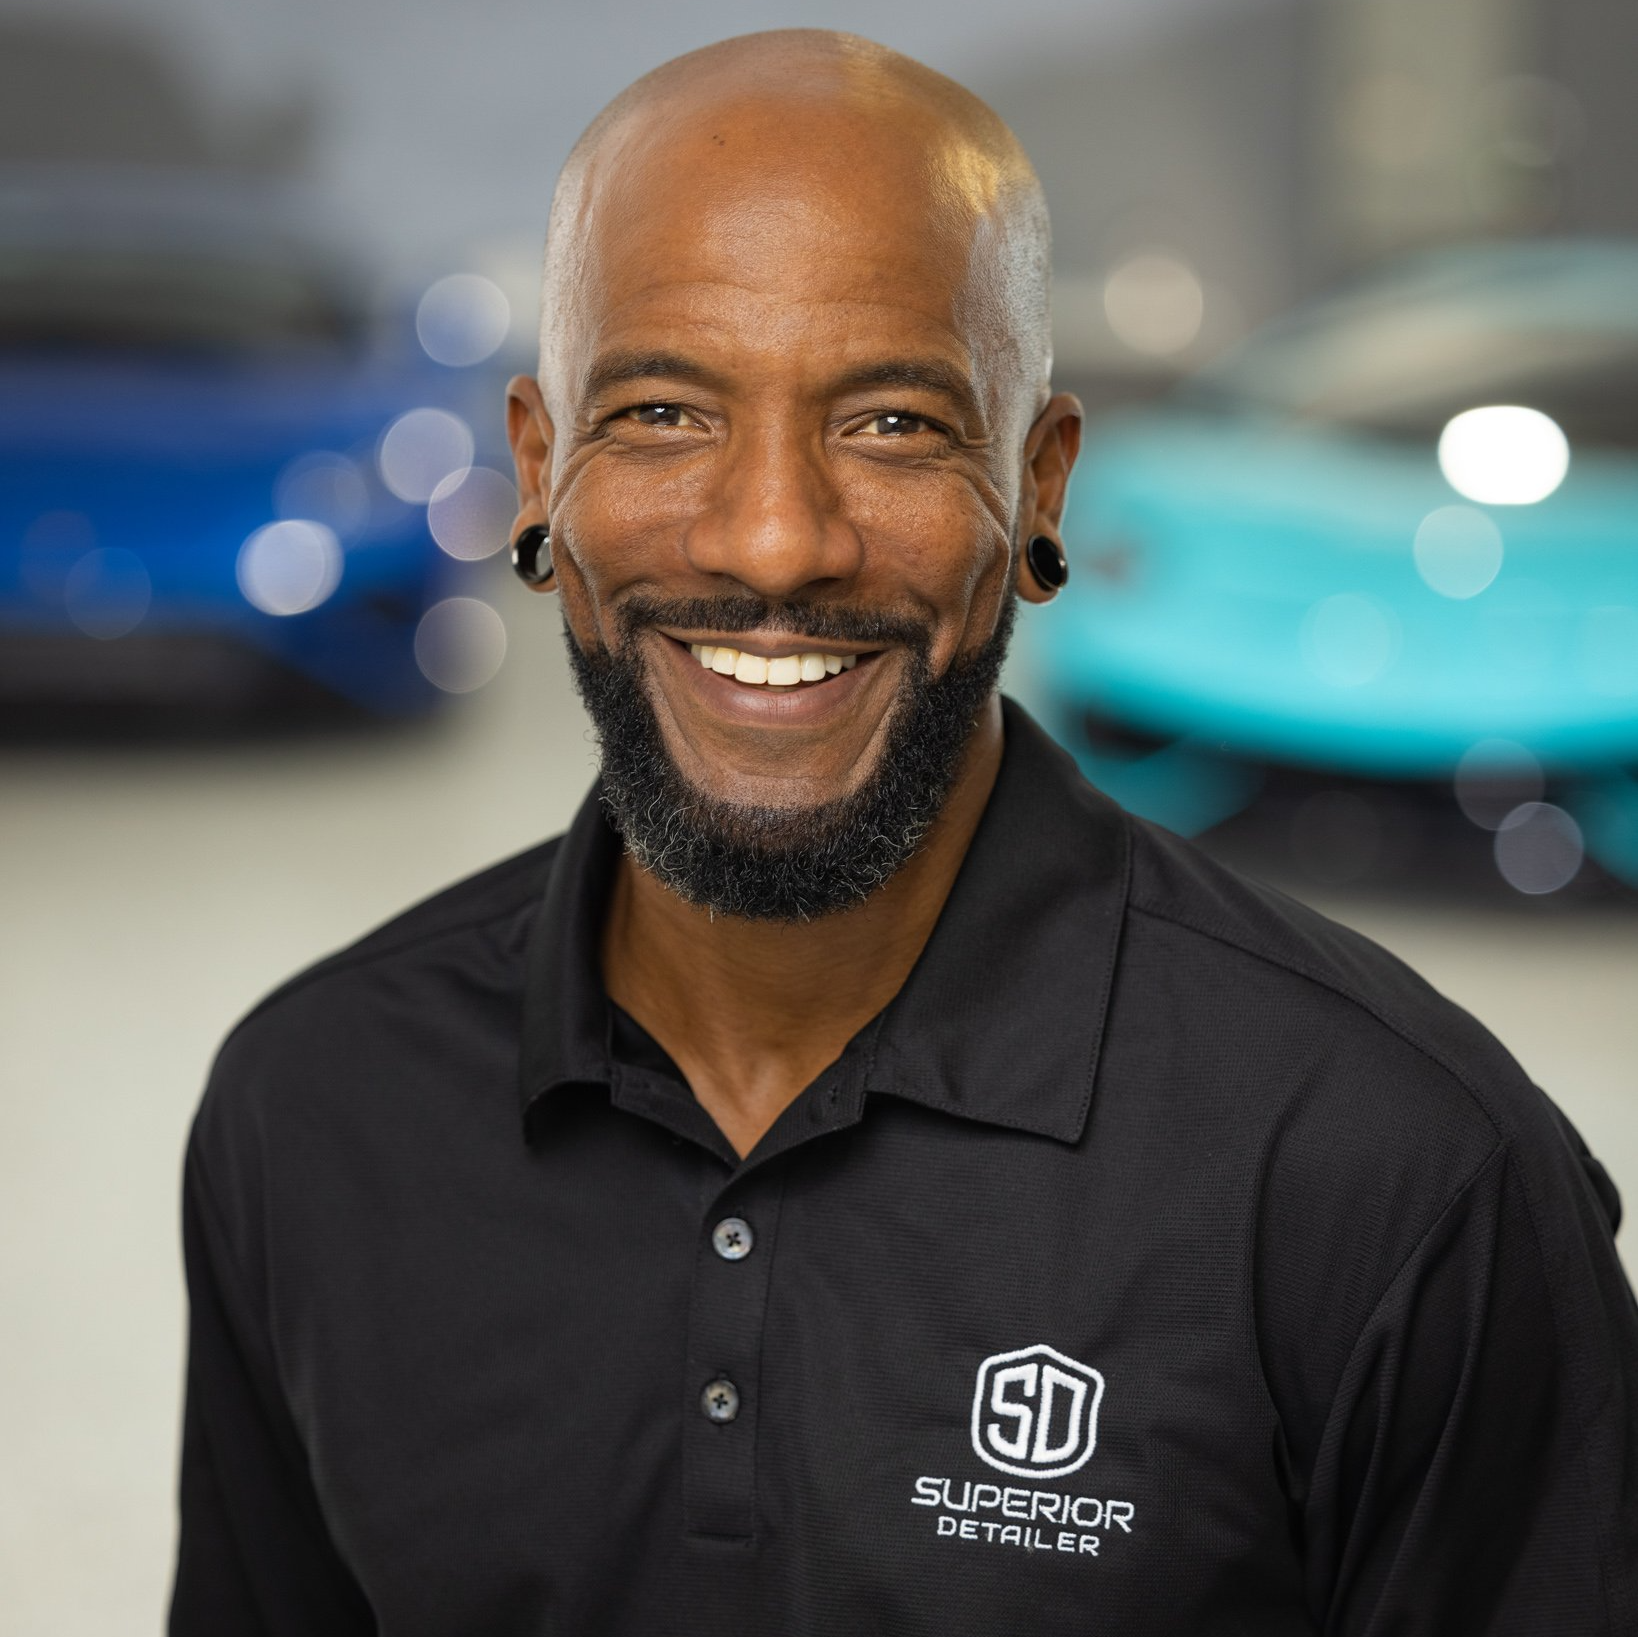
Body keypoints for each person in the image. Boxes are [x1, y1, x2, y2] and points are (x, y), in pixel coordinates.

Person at [168, 29, 1637, 1635]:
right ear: (538, 474)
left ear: (1042, 489)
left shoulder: (1401, 1174)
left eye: (892, 425)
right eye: (661, 412)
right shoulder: (309, 1109)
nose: (775, 540)